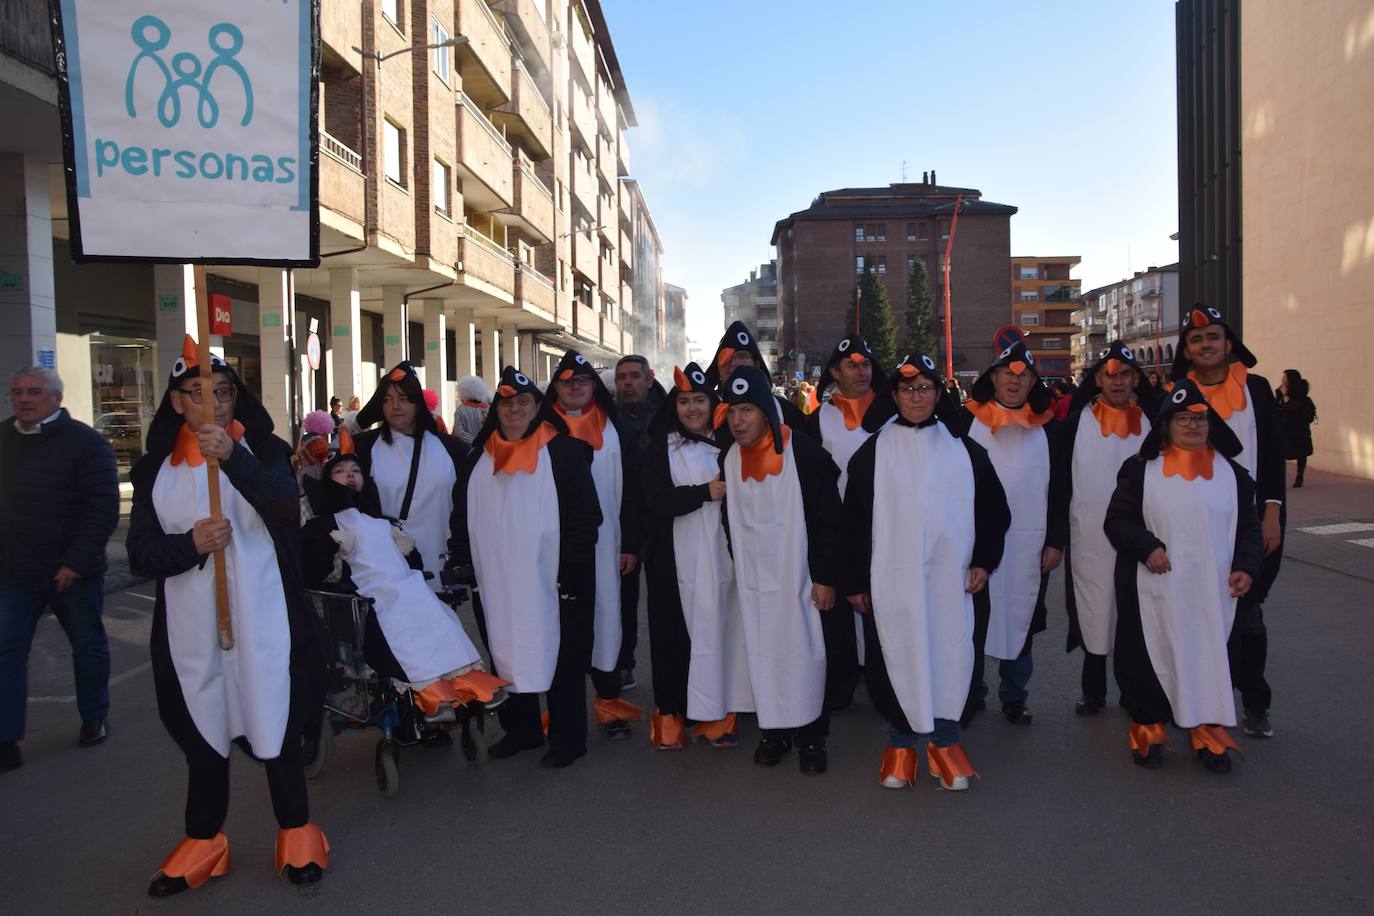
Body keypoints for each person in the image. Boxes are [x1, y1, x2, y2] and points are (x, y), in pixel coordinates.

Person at [127, 337, 328, 896]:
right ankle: (204, 840)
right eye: (197, 393)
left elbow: (285, 508)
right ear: (175, 402)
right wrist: (190, 544)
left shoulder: (262, 451)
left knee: (274, 715)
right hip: (192, 626)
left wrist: (232, 458)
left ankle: (297, 830)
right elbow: (141, 553)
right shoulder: (152, 471)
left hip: (265, 617)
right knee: (203, 724)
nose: (211, 404)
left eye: (222, 393)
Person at [842, 350, 1009, 791]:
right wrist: (856, 582)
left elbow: (994, 512)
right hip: (891, 581)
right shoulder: (872, 454)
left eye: (925, 388)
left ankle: (946, 741)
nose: (916, 397)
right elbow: (853, 523)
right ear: (893, 395)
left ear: (939, 393)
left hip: (953, 582)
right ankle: (900, 743)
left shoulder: (965, 450)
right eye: (906, 389)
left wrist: (984, 561)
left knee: (951, 651)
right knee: (896, 653)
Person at [1105, 380, 1263, 773]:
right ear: (1166, 425)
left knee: (1212, 657)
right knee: (1149, 660)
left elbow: (1249, 527)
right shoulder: (1141, 470)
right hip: (1156, 588)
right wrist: (1146, 547)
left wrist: (1246, 566)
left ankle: (1207, 734)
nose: (1192, 426)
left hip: (1213, 592)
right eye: (1182, 419)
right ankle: (1149, 731)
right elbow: (1117, 520)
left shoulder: (1234, 475)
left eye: (1200, 419)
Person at [448, 367, 603, 768]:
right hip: (496, 579)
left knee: (562, 656)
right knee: (505, 652)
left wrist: (572, 569)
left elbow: (587, 517)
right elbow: (460, 514)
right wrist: (462, 559)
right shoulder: (479, 459)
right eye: (506, 403)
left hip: (552, 578)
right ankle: (523, 730)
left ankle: (569, 739)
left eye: (523, 402)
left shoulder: (564, 452)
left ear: (537, 407)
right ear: (495, 408)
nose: (514, 409)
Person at [299, 444, 506, 717]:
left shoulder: (384, 522)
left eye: (356, 470)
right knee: (402, 616)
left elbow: (414, 564)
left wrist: (406, 549)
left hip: (406, 588)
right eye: (339, 470)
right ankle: (432, 693)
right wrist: (331, 548)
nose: (349, 475)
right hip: (365, 597)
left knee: (437, 612)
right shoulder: (322, 526)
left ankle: (470, 681)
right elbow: (311, 574)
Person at [719, 366, 843, 774]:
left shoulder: (803, 454)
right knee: (764, 654)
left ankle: (812, 740)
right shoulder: (730, 457)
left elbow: (829, 521)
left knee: (806, 656)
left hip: (802, 583)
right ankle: (776, 733)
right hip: (755, 585)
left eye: (747, 411)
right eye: (732, 411)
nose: (738, 421)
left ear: (767, 411)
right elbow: (728, 516)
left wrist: (825, 576)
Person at [1169, 305, 1284, 738]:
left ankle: (1255, 703)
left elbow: (1273, 453)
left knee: (1249, 617)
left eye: (1212, 337)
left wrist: (1272, 512)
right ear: (1187, 349)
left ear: (1228, 344)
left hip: (1250, 521)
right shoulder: (1177, 392)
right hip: (1196, 523)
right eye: (1196, 340)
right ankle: (1196, 703)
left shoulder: (1255, 388)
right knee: (1196, 615)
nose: (1205, 345)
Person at [0, 367, 118, 773]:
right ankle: (5, 739)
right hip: (13, 570)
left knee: (87, 645)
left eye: (33, 391)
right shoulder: (2, 437)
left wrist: (76, 561)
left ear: (57, 398)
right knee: (6, 650)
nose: (24, 399)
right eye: (17, 392)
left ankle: (93, 717)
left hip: (71, 571)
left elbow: (102, 508)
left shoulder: (87, 444)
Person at [947, 341, 1067, 726]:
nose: (1014, 382)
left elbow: (1062, 489)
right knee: (974, 618)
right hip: (976, 543)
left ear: (1034, 381)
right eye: (1006, 374)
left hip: (1029, 546)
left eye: (1023, 376)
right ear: (992, 378)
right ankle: (974, 689)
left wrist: (1055, 541)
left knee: (1022, 617)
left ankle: (1015, 695)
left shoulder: (1050, 429)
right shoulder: (966, 421)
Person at [640, 364, 753, 749]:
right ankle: (671, 715)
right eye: (685, 401)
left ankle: (719, 713)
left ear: (713, 403)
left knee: (722, 629)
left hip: (724, 557)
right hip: (672, 558)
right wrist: (704, 492)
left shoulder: (731, 444)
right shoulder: (659, 448)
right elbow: (654, 501)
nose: (692, 409)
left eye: (700, 400)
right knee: (673, 637)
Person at [545, 351, 643, 738]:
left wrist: (630, 544)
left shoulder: (616, 428)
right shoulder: (538, 428)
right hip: (552, 549)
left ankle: (609, 703)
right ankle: (560, 710)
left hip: (605, 546)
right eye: (567, 381)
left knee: (606, 619)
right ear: (556, 386)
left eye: (582, 381)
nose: (575, 387)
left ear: (594, 386)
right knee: (555, 625)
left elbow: (634, 492)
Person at [1061, 342, 1155, 715]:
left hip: (1136, 532)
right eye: (1110, 375)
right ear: (1098, 378)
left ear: (1136, 379)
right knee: (1095, 608)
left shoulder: (1151, 421)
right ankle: (1093, 688)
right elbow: (1060, 479)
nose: (1118, 382)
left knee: (1137, 611)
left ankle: (1135, 692)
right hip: (1090, 536)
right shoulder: (1077, 421)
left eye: (1126, 375)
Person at [803, 335, 892, 709]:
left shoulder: (892, 415)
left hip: (882, 529)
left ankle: (883, 684)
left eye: (866, 364)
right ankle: (841, 683)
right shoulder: (817, 422)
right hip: (836, 530)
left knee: (881, 610)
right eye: (852, 365)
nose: (861, 371)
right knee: (837, 613)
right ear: (835, 373)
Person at [351, 363, 468, 593]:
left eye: (403, 398)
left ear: (417, 402)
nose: (395, 406)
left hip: (438, 571)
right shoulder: (363, 448)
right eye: (387, 399)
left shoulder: (452, 450)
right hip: (382, 572)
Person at [612, 354, 665, 690]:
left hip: (661, 518)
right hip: (623, 521)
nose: (628, 383)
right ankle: (622, 662)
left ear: (649, 378)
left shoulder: (668, 415)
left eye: (634, 376)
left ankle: (671, 670)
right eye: (622, 378)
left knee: (664, 600)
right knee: (622, 599)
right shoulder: (606, 418)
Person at [704, 321, 808, 431]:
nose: (733, 363)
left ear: (756, 364)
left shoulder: (785, 411)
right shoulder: (704, 413)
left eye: (741, 356)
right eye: (726, 356)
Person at [1276, 369, 1317, 488]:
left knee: (1301, 453)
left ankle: (1299, 475)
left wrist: (1285, 396)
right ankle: (1279, 478)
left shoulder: (1302, 395)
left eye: (1285, 378)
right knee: (1280, 453)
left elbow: (1295, 409)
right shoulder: (1280, 392)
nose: (1282, 380)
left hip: (1299, 430)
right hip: (1284, 429)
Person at [452, 375, 491, 448]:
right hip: (486, 448)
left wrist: (474, 441)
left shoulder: (460, 410)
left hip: (466, 448)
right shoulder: (487, 408)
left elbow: (459, 432)